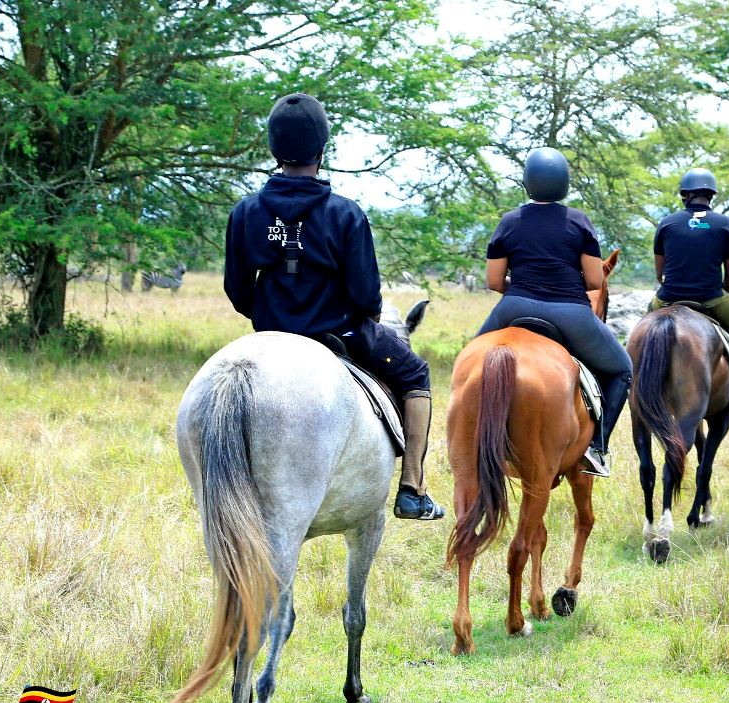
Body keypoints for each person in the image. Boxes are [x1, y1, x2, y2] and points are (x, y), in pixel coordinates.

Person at [224, 92, 445, 520]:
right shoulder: (346, 214)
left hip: (269, 335)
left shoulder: (246, 212)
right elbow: (366, 298)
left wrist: (272, 315)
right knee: (415, 372)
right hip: (339, 333)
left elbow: (237, 291)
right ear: (321, 151)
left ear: (274, 149)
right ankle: (412, 488)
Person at [475, 147, 633, 478]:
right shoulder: (579, 221)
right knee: (621, 369)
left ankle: (467, 440)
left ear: (527, 182)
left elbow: (493, 281)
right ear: (564, 184)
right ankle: (596, 448)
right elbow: (593, 280)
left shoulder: (509, 221)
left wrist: (521, 290)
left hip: (514, 305)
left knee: (471, 365)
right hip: (570, 313)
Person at [649, 168, 729, 412]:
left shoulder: (667, 223)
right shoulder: (725, 225)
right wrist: (724, 292)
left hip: (669, 297)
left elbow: (660, 273)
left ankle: (636, 380)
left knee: (645, 326)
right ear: (711, 195)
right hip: (711, 297)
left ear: (684, 195)